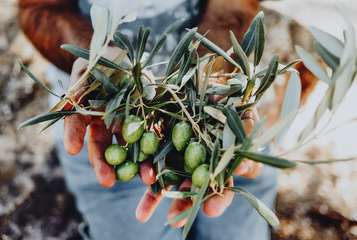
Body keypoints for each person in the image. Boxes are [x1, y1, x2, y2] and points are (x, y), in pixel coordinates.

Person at [18, 0, 279, 239]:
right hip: (105, 122)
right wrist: (97, 59)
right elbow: (38, 8)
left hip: (220, 120)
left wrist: (213, 72)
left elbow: (235, 5)